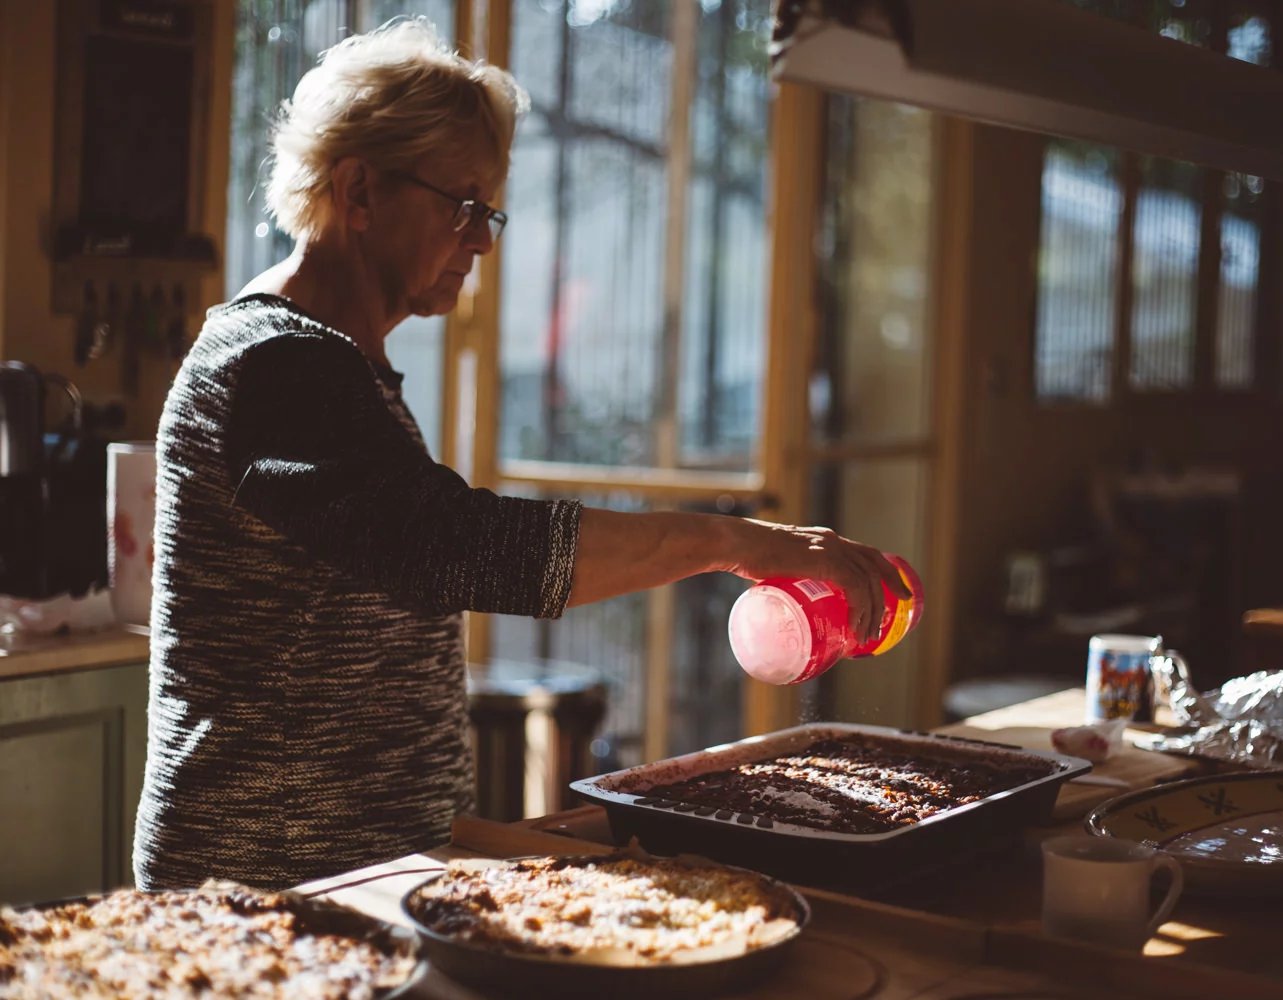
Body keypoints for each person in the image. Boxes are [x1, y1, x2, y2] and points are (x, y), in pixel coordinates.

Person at [133, 19, 908, 891]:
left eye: (489, 210)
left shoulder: (338, 365)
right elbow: (454, 546)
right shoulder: (278, 361)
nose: (483, 240)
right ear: (358, 192)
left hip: (354, 868)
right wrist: (740, 543)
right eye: (462, 205)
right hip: (266, 882)